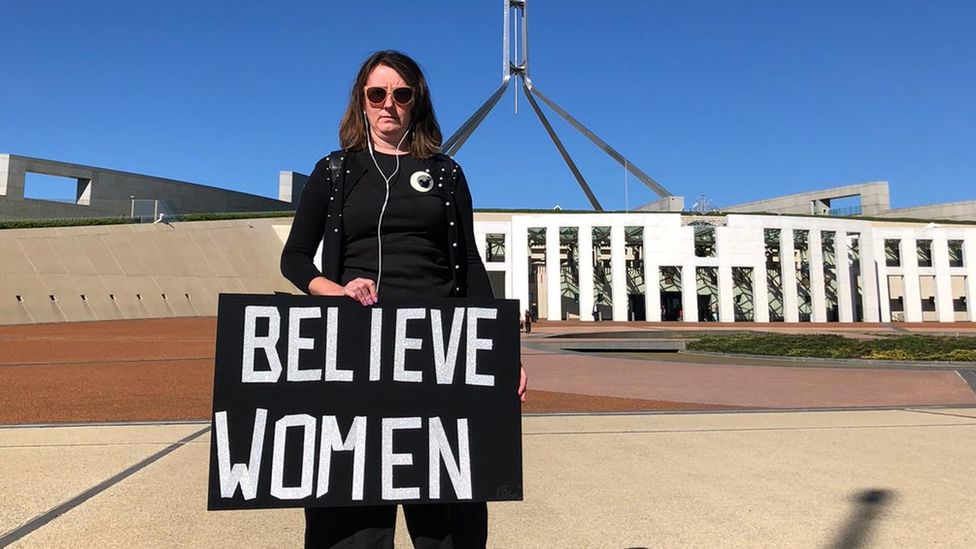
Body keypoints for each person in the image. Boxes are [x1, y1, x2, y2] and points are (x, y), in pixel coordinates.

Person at [280, 50, 526, 549]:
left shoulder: (447, 174)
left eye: (401, 94)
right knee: (356, 521)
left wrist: (502, 354)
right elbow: (296, 260)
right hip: (358, 356)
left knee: (444, 518)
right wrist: (338, 290)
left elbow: (472, 267)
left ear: (416, 102)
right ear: (362, 103)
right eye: (377, 94)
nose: (388, 104)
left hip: (437, 356)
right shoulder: (334, 172)